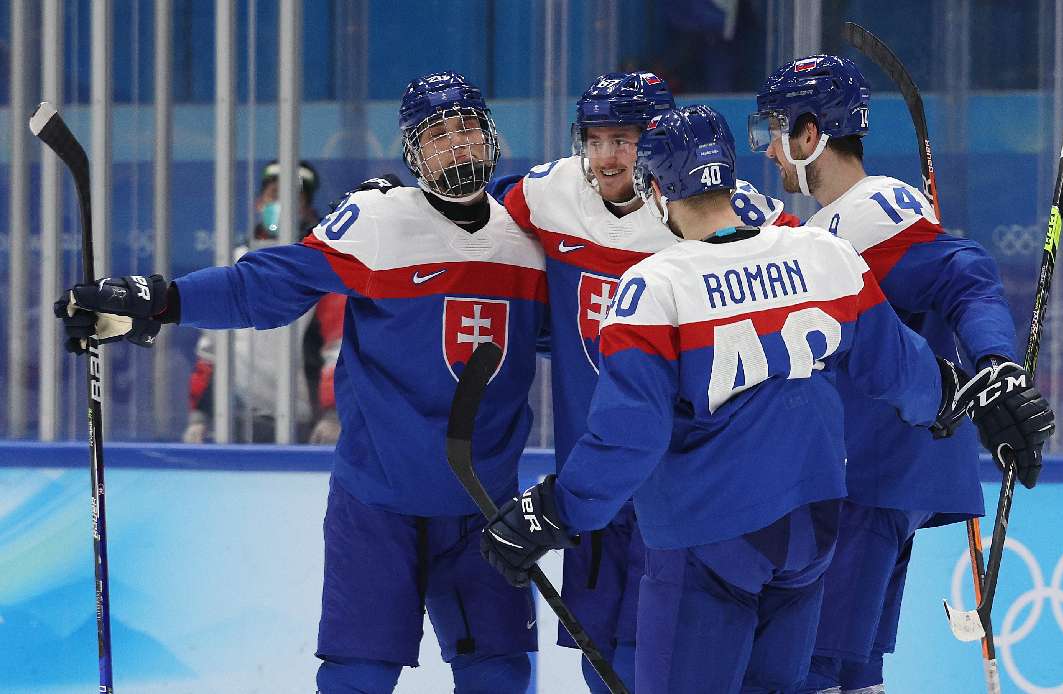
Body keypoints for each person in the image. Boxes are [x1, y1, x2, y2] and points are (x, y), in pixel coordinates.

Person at [478, 105, 1052, 693]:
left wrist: (554, 510)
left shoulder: (655, 286)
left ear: (655, 189)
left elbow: (631, 435)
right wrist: (988, 398)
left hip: (710, 537)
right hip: (810, 537)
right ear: (730, 177)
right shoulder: (822, 257)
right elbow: (909, 376)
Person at [54, 72, 544, 694]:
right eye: (437, 135)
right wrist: (161, 301)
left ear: (491, 138)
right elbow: (266, 285)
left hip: (484, 509)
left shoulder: (529, 246)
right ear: (414, 153)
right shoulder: (379, 223)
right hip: (378, 504)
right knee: (356, 679)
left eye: (466, 129)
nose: (457, 146)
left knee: (501, 677)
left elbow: (583, 340)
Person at [747, 55, 1056, 693]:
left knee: (814, 667)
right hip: (875, 478)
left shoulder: (872, 213)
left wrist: (997, 365)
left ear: (811, 135)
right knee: (856, 666)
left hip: (866, 479)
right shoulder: (834, 223)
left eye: (776, 131)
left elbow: (963, 274)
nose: (770, 151)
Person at [494, 70, 800, 692]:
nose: (607, 157)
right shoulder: (551, 193)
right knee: (596, 652)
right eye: (596, 139)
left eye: (625, 139)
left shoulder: (716, 211)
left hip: (684, 486)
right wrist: (405, 200)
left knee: (653, 658)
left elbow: (813, 261)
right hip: (595, 478)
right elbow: (477, 213)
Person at [184, 159, 346, 444]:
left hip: (305, 426)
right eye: (274, 194)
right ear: (260, 202)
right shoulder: (234, 261)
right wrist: (200, 416)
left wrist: (332, 415)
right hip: (237, 422)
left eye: (293, 196)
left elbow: (337, 348)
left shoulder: (321, 266)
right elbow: (212, 349)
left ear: (306, 207)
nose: (281, 203)